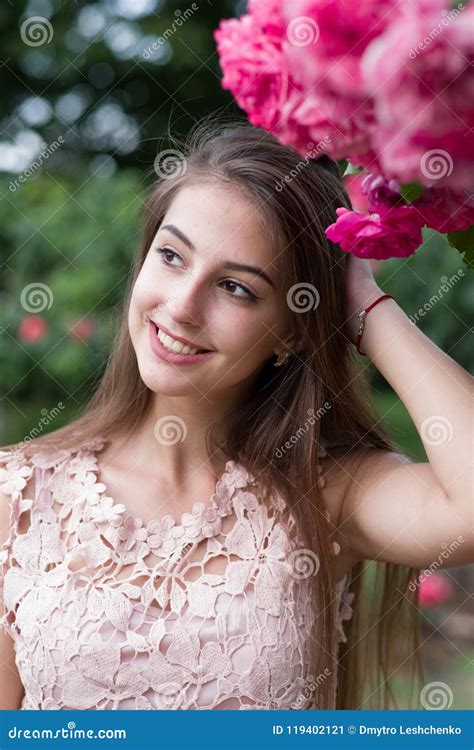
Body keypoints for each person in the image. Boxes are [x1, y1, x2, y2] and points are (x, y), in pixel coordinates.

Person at [0, 120, 472, 711]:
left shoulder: (325, 495)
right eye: (171, 256)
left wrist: (365, 303)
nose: (181, 306)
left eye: (237, 288)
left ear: (294, 329)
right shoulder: (15, 497)